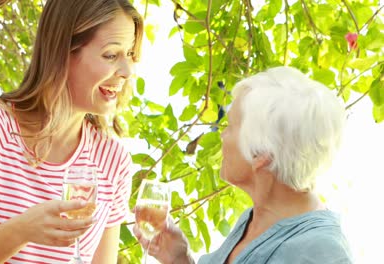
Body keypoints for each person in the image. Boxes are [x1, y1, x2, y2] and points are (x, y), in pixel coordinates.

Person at [0, 0, 143, 263]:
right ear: (62, 51)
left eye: (130, 54)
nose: (127, 71)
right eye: (111, 55)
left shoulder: (112, 160)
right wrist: (22, 230)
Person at [134, 66, 353, 263]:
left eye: (230, 126)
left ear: (261, 154)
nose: (222, 136)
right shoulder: (256, 218)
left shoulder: (321, 254)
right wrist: (179, 258)